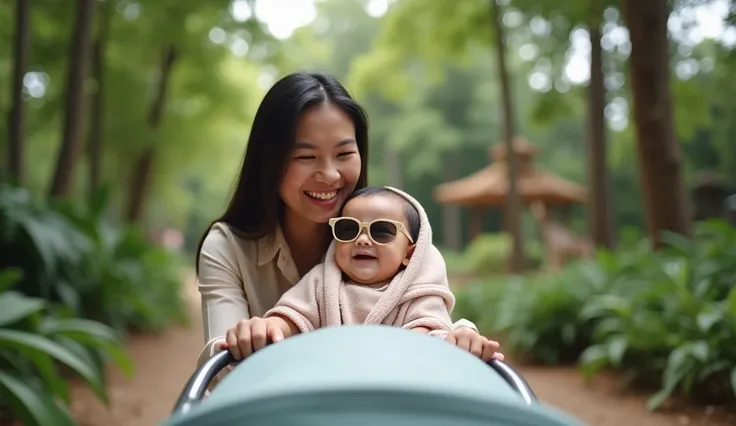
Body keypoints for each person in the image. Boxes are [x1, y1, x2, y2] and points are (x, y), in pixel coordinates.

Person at [196, 72, 498, 382]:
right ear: (268, 161)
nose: (329, 175)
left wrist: (461, 333)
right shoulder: (227, 247)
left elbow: (430, 325)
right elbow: (221, 370)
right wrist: (252, 336)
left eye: (344, 154)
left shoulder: (398, 238)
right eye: (305, 156)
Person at [219, 186, 501, 362]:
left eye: (381, 231)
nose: (363, 240)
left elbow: (427, 337)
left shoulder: (418, 292)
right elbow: (289, 318)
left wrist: (459, 337)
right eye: (348, 229)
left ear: (410, 253)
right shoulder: (321, 283)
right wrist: (265, 329)